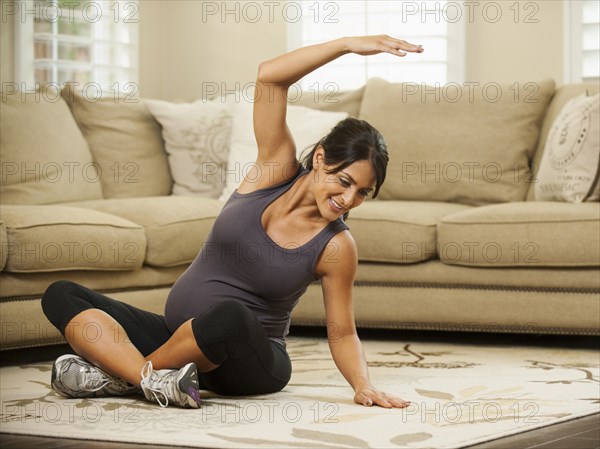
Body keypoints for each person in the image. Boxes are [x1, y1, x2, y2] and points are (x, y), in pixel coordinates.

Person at [42, 35, 424, 409]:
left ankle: (125, 377)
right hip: (179, 339)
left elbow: (342, 331)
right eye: (344, 182)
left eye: (362, 192)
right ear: (321, 158)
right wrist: (345, 46)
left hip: (249, 363)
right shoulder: (273, 170)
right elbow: (270, 77)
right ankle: (153, 379)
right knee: (62, 294)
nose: (348, 200)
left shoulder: (337, 245)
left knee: (229, 314)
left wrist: (363, 385)